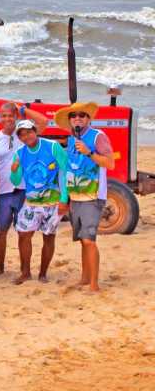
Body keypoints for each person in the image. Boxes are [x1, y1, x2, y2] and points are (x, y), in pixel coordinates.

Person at [54, 101, 114, 292]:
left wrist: (89, 153)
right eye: (73, 116)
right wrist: (66, 198)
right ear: (70, 121)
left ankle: (94, 284)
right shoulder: (71, 139)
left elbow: (110, 163)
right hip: (76, 195)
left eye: (82, 115)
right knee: (82, 239)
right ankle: (85, 278)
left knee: (89, 239)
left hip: (93, 195)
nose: (77, 118)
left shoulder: (98, 136)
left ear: (88, 118)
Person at [0, 101, 48, 274]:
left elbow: (43, 122)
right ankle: (0, 268)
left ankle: (25, 270)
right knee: (1, 231)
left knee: (24, 232)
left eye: (11, 115)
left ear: (16, 117)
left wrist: (23, 109)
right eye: (4, 116)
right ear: (0, 118)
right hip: (3, 191)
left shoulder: (24, 135)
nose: (7, 119)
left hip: (24, 190)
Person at [9, 119, 68, 284]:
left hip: (53, 202)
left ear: (35, 131)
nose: (26, 136)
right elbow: (15, 181)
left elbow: (65, 171)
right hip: (31, 203)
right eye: (22, 134)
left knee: (48, 237)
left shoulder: (52, 146)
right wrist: (13, 171)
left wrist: (64, 199)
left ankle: (43, 273)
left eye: (28, 132)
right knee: (23, 235)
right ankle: (25, 272)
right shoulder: (20, 153)